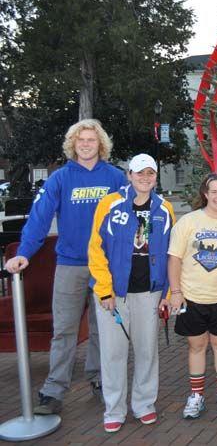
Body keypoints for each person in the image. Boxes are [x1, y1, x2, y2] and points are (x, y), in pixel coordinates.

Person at [4, 119, 126, 415]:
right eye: (81, 140)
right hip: (69, 265)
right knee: (64, 330)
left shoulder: (115, 177)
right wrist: (23, 253)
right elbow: (39, 219)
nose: (86, 144)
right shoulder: (59, 179)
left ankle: (99, 379)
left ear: (101, 144)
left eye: (92, 140)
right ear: (74, 144)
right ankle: (54, 390)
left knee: (104, 329)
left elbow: (130, 218)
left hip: (105, 269)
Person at [87, 154, 174, 433]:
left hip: (149, 292)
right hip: (114, 293)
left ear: (156, 176)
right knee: (113, 353)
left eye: (150, 173)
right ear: (129, 175)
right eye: (140, 173)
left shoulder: (164, 208)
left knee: (147, 351)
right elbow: (95, 250)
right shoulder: (109, 204)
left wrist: (168, 293)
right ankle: (114, 408)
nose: (145, 177)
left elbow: (173, 255)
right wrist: (104, 290)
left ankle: (144, 404)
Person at [167, 172, 217, 419]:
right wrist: (176, 292)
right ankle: (196, 395)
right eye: (214, 191)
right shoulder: (188, 222)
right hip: (192, 296)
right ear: (205, 194)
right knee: (196, 345)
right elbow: (174, 259)